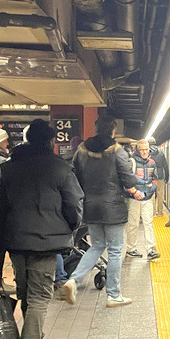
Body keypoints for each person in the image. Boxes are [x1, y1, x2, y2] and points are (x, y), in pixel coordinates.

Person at [0, 119, 83, 339]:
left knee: (26, 294)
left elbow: (1, 213)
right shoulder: (60, 168)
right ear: (50, 142)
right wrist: (70, 229)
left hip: (16, 242)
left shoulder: (10, 168)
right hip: (46, 243)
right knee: (40, 299)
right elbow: (74, 205)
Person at [59, 116, 143, 307]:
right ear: (112, 132)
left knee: (97, 245)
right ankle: (113, 295)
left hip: (90, 206)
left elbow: (75, 176)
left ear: (96, 129)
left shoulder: (81, 151)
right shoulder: (116, 151)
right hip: (112, 207)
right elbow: (128, 180)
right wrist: (132, 187)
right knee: (114, 250)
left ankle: (73, 281)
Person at [125, 139, 161, 260]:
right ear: (137, 150)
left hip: (147, 198)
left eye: (147, 149)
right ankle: (131, 249)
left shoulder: (152, 162)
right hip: (134, 198)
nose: (145, 152)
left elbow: (155, 179)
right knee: (133, 224)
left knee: (148, 223)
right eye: (142, 150)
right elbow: (126, 180)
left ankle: (151, 249)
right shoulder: (132, 162)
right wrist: (134, 192)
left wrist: (150, 190)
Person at [150, 139, 169, 218]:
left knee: (152, 195)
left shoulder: (147, 152)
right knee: (160, 194)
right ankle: (160, 212)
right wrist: (167, 176)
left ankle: (153, 213)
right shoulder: (161, 152)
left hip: (151, 176)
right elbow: (165, 165)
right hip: (160, 176)